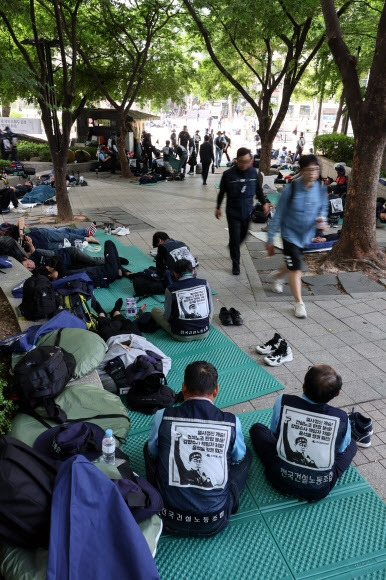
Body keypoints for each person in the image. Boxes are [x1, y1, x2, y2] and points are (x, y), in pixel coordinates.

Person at [144, 360, 252, 536]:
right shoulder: (232, 422)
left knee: (148, 448)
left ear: (184, 387)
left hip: (167, 516)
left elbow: (154, 453)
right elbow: (238, 457)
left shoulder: (162, 416)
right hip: (214, 521)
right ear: (216, 390)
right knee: (246, 457)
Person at [249, 365, 357, 501]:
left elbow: (275, 432)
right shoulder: (342, 418)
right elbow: (341, 449)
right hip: (319, 489)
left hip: (279, 480)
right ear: (337, 394)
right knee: (352, 445)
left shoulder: (283, 401)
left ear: (303, 385)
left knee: (257, 429)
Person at [266, 154, 328, 318]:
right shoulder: (291, 189)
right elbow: (278, 215)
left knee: (291, 262)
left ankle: (278, 276)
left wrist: (322, 219)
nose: (313, 173)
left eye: (315, 169)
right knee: (296, 268)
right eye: (309, 170)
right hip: (290, 235)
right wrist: (270, 238)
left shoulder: (321, 188)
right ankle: (299, 303)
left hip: (306, 236)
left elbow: (323, 208)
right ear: (301, 171)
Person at [216, 147, 269, 275]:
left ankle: (233, 246)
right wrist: (218, 207)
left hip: (247, 212)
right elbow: (222, 192)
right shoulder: (228, 174)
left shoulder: (253, 173)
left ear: (250, 160)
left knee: (244, 235)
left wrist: (264, 203)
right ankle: (236, 264)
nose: (244, 164)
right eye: (241, 161)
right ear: (236, 160)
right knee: (234, 238)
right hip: (233, 212)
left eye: (247, 161)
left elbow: (258, 190)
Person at [150, 259, 212, 342]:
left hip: (181, 336)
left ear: (174, 273)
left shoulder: (171, 289)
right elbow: (210, 309)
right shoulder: (205, 283)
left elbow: (167, 316)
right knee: (211, 306)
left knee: (155, 310)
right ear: (193, 271)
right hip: (204, 331)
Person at [36, 240, 131, 289]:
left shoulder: (61, 279)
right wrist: (54, 268)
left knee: (94, 261)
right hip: (107, 273)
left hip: (103, 275)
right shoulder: (61, 273)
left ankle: (118, 266)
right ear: (49, 274)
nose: (52, 267)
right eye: (50, 269)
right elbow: (59, 259)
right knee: (109, 243)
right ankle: (119, 267)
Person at [1, 217, 99, 252]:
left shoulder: (9, 234)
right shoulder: (9, 250)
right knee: (66, 242)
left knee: (66, 233)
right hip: (44, 246)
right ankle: (87, 236)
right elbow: (28, 255)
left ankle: (87, 235)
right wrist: (30, 245)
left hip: (42, 234)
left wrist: (21, 232)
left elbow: (21, 219)